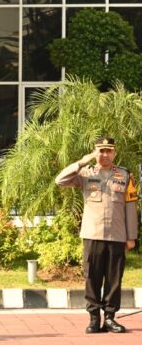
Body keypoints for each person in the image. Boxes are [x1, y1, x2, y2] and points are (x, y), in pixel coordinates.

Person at [55, 136, 138, 334]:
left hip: (117, 235)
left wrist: (131, 236)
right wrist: (82, 161)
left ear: (114, 153)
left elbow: (130, 206)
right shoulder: (85, 173)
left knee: (114, 279)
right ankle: (93, 318)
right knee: (92, 277)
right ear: (95, 152)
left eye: (109, 151)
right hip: (92, 234)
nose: (105, 154)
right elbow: (60, 180)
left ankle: (110, 318)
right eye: (101, 151)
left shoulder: (125, 175)